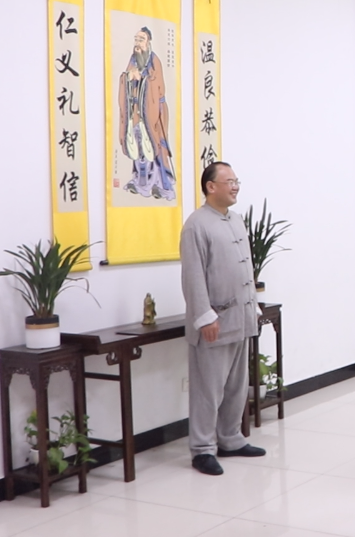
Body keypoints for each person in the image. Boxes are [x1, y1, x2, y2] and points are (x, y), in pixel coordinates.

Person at [180, 161, 266, 476]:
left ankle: (230, 438)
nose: (235, 186)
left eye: (236, 181)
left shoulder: (236, 220)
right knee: (208, 389)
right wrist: (205, 317)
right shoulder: (196, 225)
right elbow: (192, 276)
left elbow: (246, 268)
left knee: (236, 385)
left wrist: (253, 307)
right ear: (210, 186)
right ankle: (202, 449)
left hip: (241, 317)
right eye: (229, 181)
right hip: (214, 320)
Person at [119, 26, 175, 200]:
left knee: (155, 147)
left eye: (141, 40)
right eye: (136, 39)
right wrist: (128, 77)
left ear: (148, 42)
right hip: (136, 113)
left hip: (153, 112)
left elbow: (157, 85)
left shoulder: (154, 60)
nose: (137, 43)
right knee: (138, 148)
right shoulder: (133, 59)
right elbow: (125, 79)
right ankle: (140, 183)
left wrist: (141, 78)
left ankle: (162, 186)